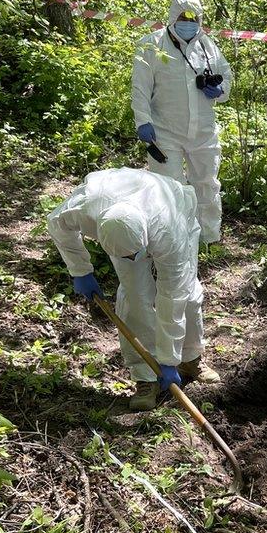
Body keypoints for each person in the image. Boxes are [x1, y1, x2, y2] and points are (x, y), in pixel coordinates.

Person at [47, 168, 219, 411]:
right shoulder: (87, 208)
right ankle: (145, 375)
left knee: (187, 294)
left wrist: (168, 359)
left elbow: (173, 295)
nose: (129, 259)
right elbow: (57, 225)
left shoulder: (169, 231)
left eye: (132, 254)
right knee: (135, 296)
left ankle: (189, 359)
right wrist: (80, 270)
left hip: (174, 211)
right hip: (123, 224)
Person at [131, 0, 233, 245]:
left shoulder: (208, 46)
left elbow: (227, 77)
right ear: (172, 16)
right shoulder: (152, 45)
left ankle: (208, 237)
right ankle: (174, 240)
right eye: (183, 16)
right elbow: (140, 88)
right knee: (169, 188)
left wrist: (220, 91)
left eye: (194, 18)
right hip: (164, 131)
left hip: (203, 132)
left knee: (206, 185)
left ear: (200, 18)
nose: (188, 22)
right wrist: (142, 120)